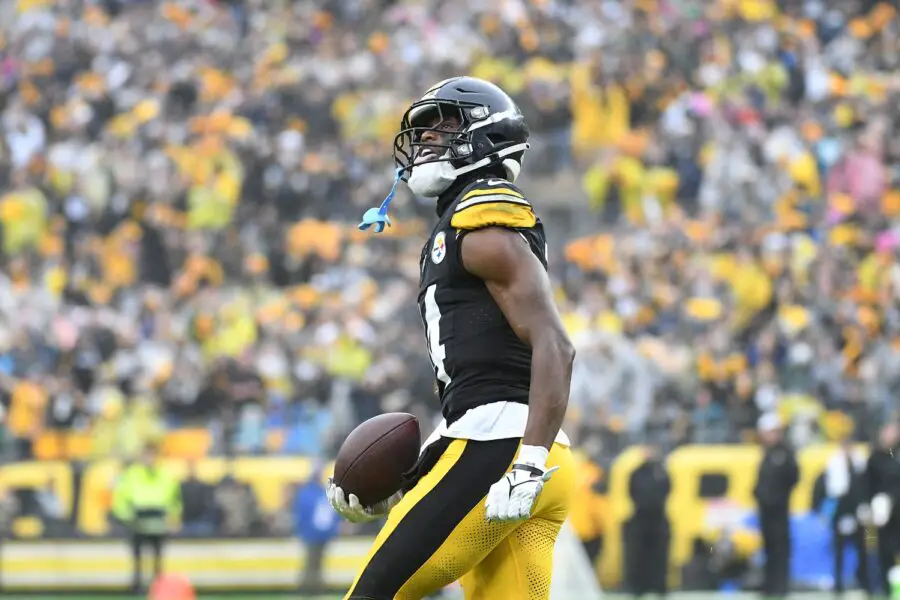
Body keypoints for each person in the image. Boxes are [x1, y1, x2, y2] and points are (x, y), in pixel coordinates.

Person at [328, 76, 576, 600]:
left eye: (441, 130)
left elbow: (555, 345)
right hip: (519, 448)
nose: (424, 145)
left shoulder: (484, 220)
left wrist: (527, 460)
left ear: (484, 138)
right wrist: (405, 483)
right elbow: (484, 384)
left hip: (506, 447)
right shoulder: (465, 224)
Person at [112, 442, 182, 592]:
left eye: (152, 455)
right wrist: (127, 517)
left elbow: (174, 500)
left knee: (157, 558)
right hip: (137, 522)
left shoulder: (165, 475)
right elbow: (121, 498)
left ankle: (158, 587)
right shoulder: (132, 474)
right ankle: (137, 585)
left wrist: (173, 519)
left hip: (159, 523)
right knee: (137, 557)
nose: (149, 459)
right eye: (146, 455)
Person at [753, 413, 798, 599]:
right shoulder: (766, 453)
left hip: (779, 510)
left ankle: (781, 586)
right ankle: (769, 585)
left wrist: (778, 496)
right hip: (765, 510)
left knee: (780, 548)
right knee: (769, 548)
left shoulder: (785, 452)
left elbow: (793, 478)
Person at [821, 430, 870, 595]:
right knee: (838, 548)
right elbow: (830, 489)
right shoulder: (833, 462)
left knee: (862, 547)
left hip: (857, 507)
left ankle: (864, 581)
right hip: (840, 508)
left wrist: (864, 505)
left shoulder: (860, 460)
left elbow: (865, 484)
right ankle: (838, 585)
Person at [624, 445, 671, 598]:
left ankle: (658, 587)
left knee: (658, 555)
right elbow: (631, 492)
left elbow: (668, 490)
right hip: (641, 519)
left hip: (657, 519)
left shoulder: (662, 472)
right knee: (638, 555)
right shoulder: (636, 473)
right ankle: (638, 587)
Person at [294, 464, 340, 592]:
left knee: (314, 562)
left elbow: (302, 515)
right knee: (313, 562)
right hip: (316, 533)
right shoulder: (317, 492)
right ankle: (310, 587)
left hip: (315, 533)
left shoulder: (309, 492)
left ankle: (310, 587)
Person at [866, 421, 900, 597]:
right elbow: (868, 484)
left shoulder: (896, 455)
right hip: (885, 514)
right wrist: (870, 504)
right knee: (886, 551)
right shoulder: (876, 457)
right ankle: (887, 589)